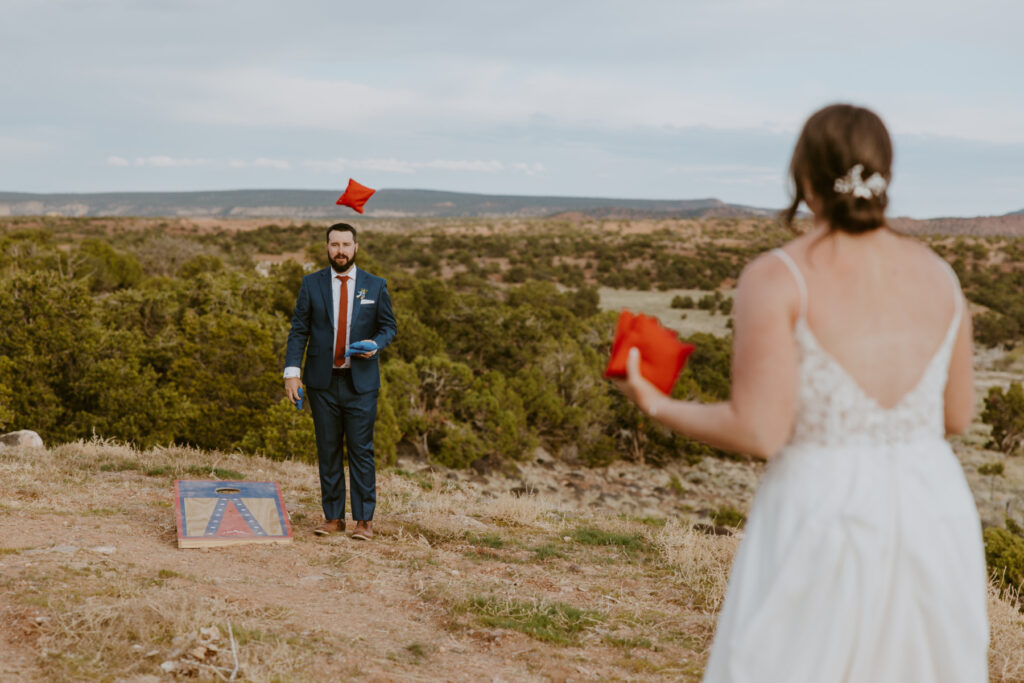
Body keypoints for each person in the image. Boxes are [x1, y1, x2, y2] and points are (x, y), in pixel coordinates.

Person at [618, 104, 988, 681]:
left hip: (822, 508)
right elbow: (958, 416)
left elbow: (759, 430)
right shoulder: (942, 274)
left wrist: (654, 402)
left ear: (805, 177)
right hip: (931, 507)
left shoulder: (778, 275)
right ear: (883, 174)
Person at [284, 223, 397, 541]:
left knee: (361, 450)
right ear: (327, 248)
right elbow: (299, 330)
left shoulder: (375, 285)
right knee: (328, 449)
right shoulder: (311, 284)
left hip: (361, 383)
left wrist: (376, 344)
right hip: (322, 382)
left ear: (356, 247)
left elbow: (389, 327)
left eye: (346, 244)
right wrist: (291, 373)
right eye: (335, 245)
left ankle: (364, 521)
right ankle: (333, 517)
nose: (341, 251)